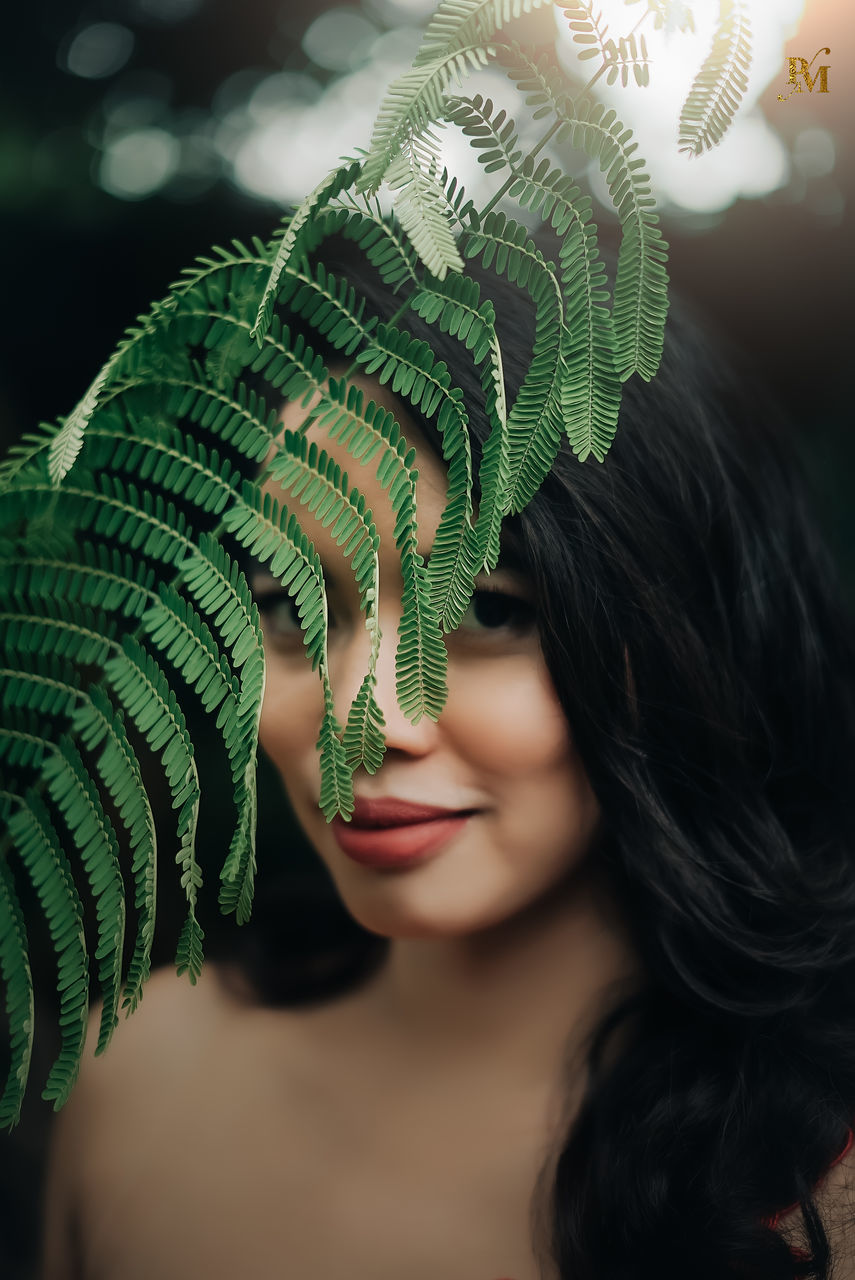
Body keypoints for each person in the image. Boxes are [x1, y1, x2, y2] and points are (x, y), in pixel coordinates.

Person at [39, 236, 855, 1280]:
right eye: (289, 605)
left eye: (486, 607)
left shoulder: (824, 1187)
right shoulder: (132, 1071)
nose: (354, 716)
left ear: (684, 629)